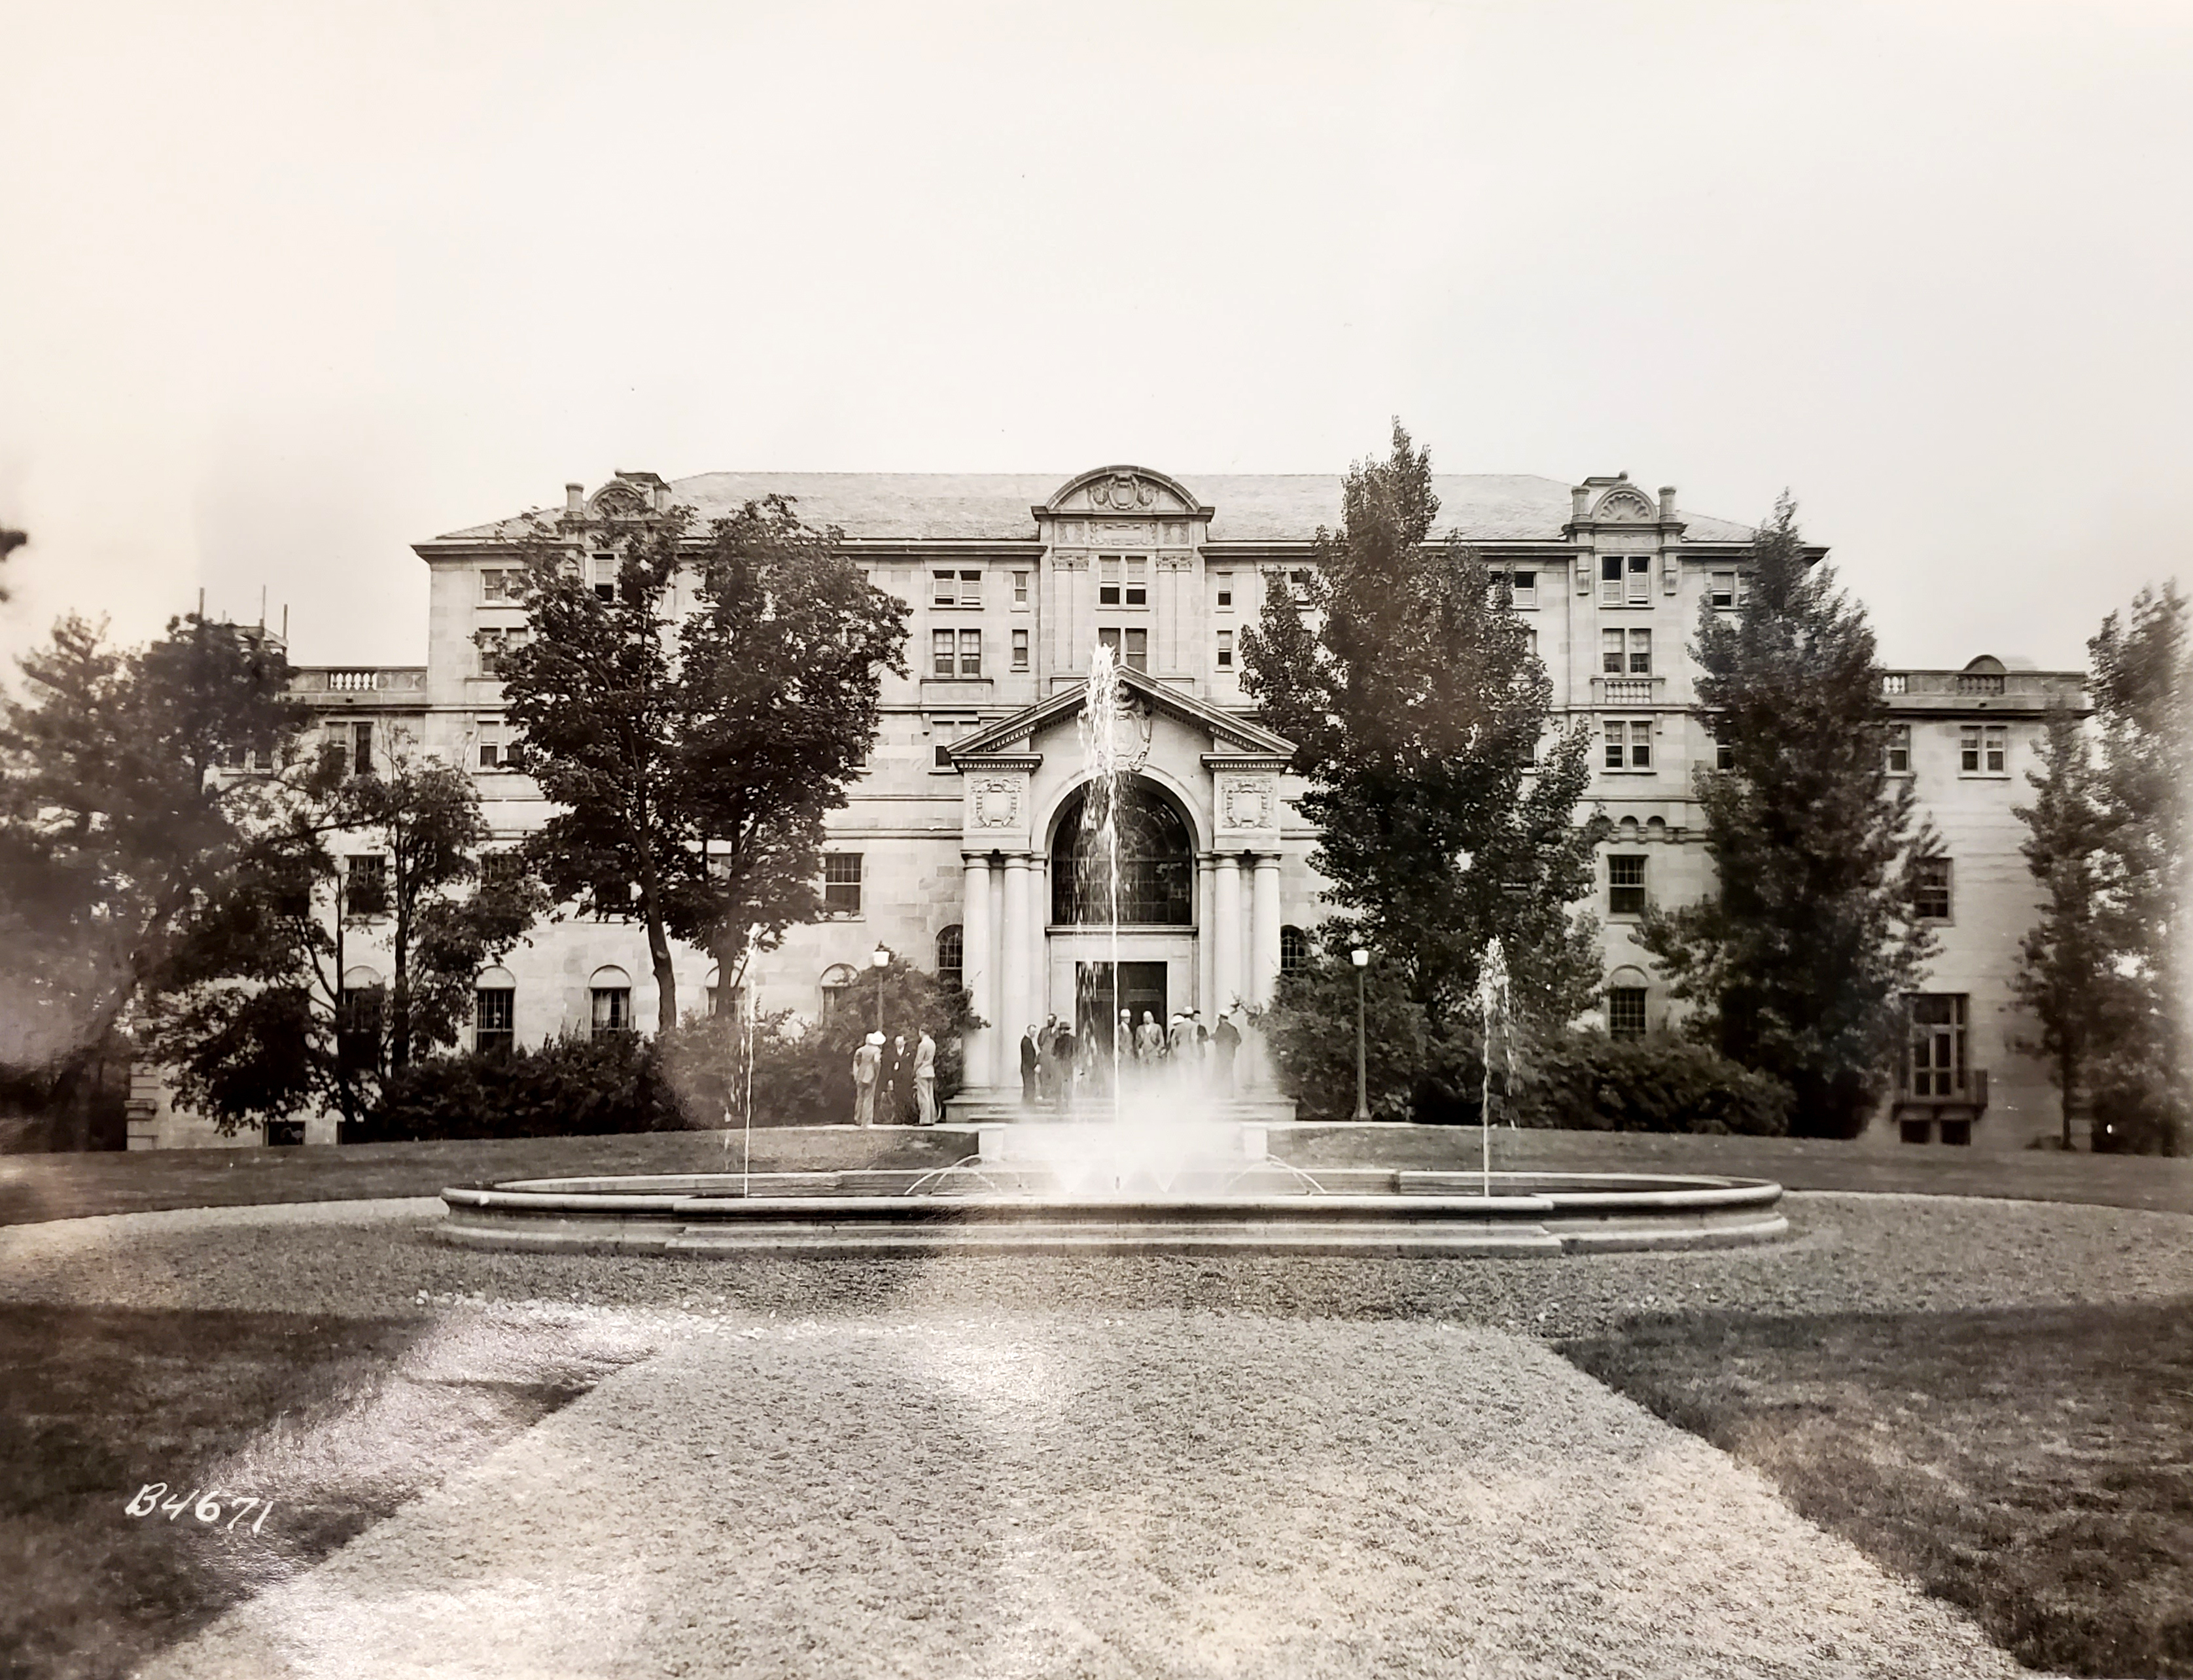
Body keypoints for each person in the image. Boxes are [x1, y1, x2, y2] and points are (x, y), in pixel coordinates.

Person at [852, 1031, 883, 1127]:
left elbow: (856, 1063)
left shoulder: (860, 1050)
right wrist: (877, 1071)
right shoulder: (876, 1050)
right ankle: (867, 1120)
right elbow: (877, 1062)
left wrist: (856, 1075)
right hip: (870, 1075)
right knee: (869, 1098)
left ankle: (858, 1118)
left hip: (860, 1075)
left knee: (860, 1097)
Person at [1213, 1011, 1241, 1096]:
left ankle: (1222, 1092)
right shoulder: (1233, 1028)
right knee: (1229, 1072)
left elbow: (1217, 1038)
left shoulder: (1221, 1027)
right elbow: (1239, 1040)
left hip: (1222, 1053)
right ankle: (1230, 1093)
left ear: (1221, 1018)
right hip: (1231, 1053)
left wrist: (1213, 1037)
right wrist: (1232, 1047)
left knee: (1221, 1072)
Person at [1051, 1019, 1077, 1110]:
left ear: (1062, 1030)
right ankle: (1069, 1105)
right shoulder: (1073, 1040)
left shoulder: (1058, 1041)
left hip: (1060, 1064)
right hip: (1069, 1065)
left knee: (1059, 1086)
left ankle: (1059, 1106)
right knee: (1068, 1085)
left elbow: (1054, 1053)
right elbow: (1075, 1053)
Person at [913, 1028, 938, 1125]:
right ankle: (932, 1118)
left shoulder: (923, 1044)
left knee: (923, 1096)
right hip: (930, 1070)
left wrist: (914, 1070)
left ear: (922, 1032)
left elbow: (919, 1060)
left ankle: (925, 1119)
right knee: (930, 1095)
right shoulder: (932, 1043)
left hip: (922, 1071)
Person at [1019, 1024, 1040, 1106]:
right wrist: (1034, 1066)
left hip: (1027, 1068)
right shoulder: (1026, 1042)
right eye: (1033, 1032)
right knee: (1030, 1087)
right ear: (1028, 1031)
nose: (1034, 1034)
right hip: (1027, 1068)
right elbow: (1028, 1057)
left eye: (1035, 1032)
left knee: (1028, 1087)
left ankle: (1025, 1105)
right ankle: (1029, 1105)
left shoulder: (1027, 1041)